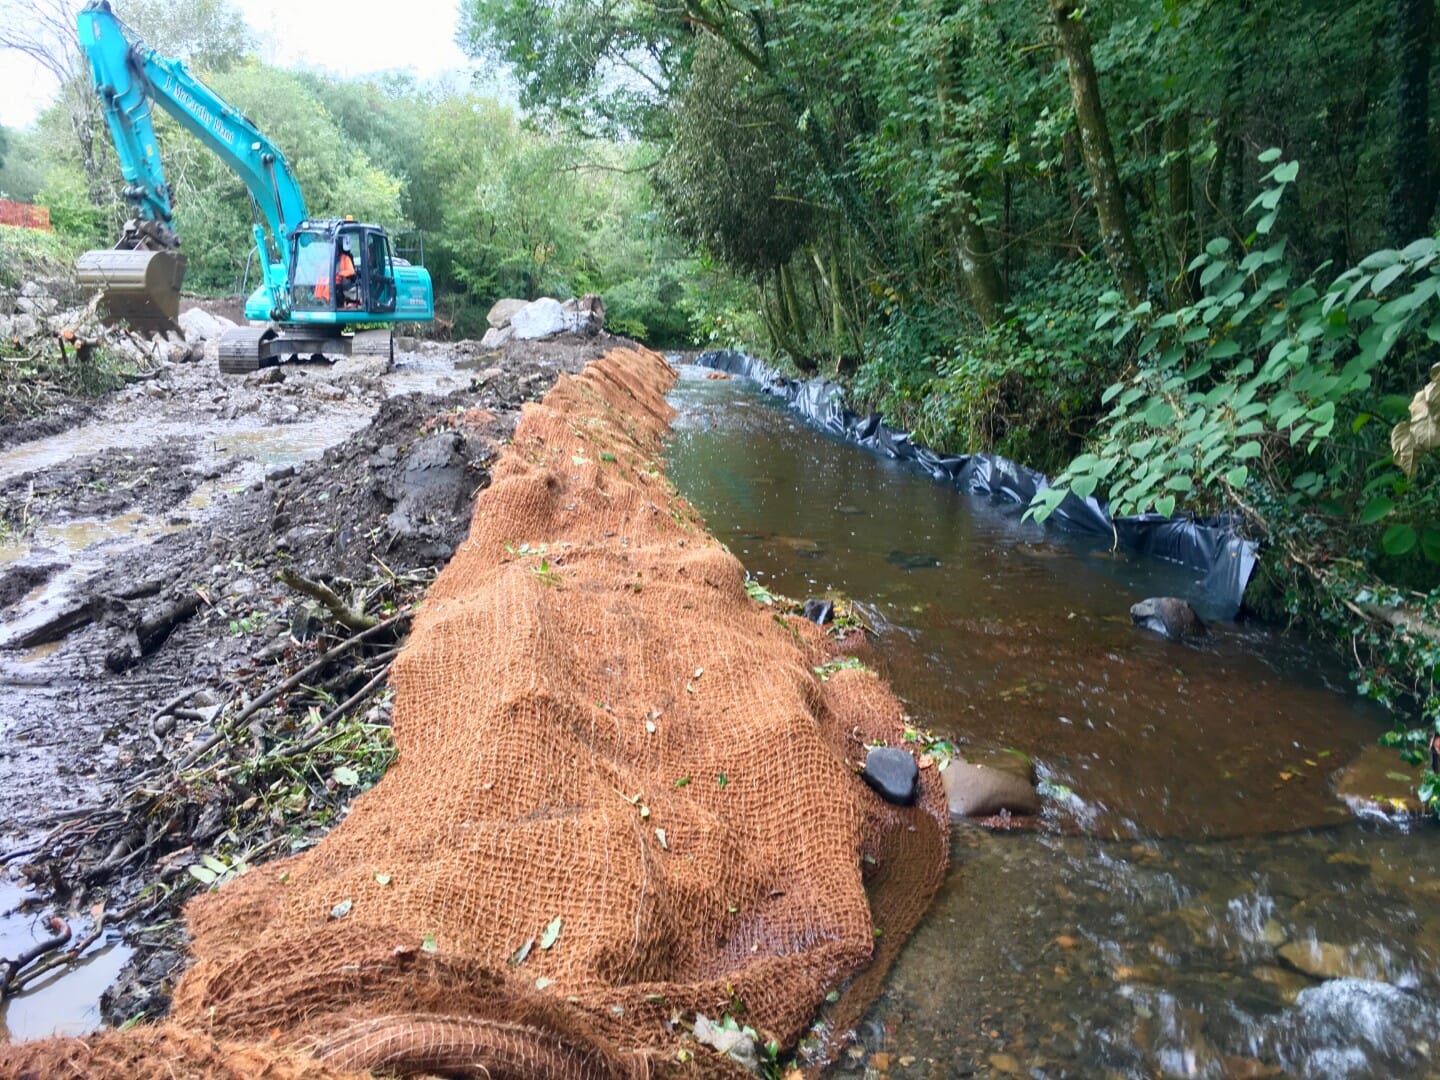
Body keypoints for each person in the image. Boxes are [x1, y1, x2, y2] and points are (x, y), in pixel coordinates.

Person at [336, 236, 359, 308]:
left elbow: (351, 272)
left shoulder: (345, 258)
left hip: (344, 284)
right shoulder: (331, 259)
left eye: (336, 249)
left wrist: (340, 274)